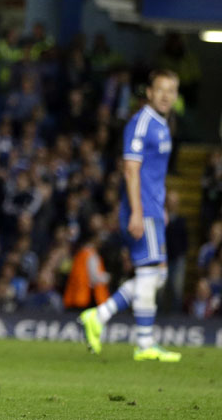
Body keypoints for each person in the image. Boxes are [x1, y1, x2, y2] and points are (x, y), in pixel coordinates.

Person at [79, 70, 182, 362]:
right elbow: (131, 169)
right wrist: (137, 212)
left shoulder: (162, 124)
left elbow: (152, 172)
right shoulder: (141, 123)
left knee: (157, 274)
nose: (166, 96)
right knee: (150, 274)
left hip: (152, 207)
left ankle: (99, 316)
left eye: (171, 90)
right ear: (148, 92)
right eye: (160, 89)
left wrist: (159, 206)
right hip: (142, 209)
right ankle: (145, 343)